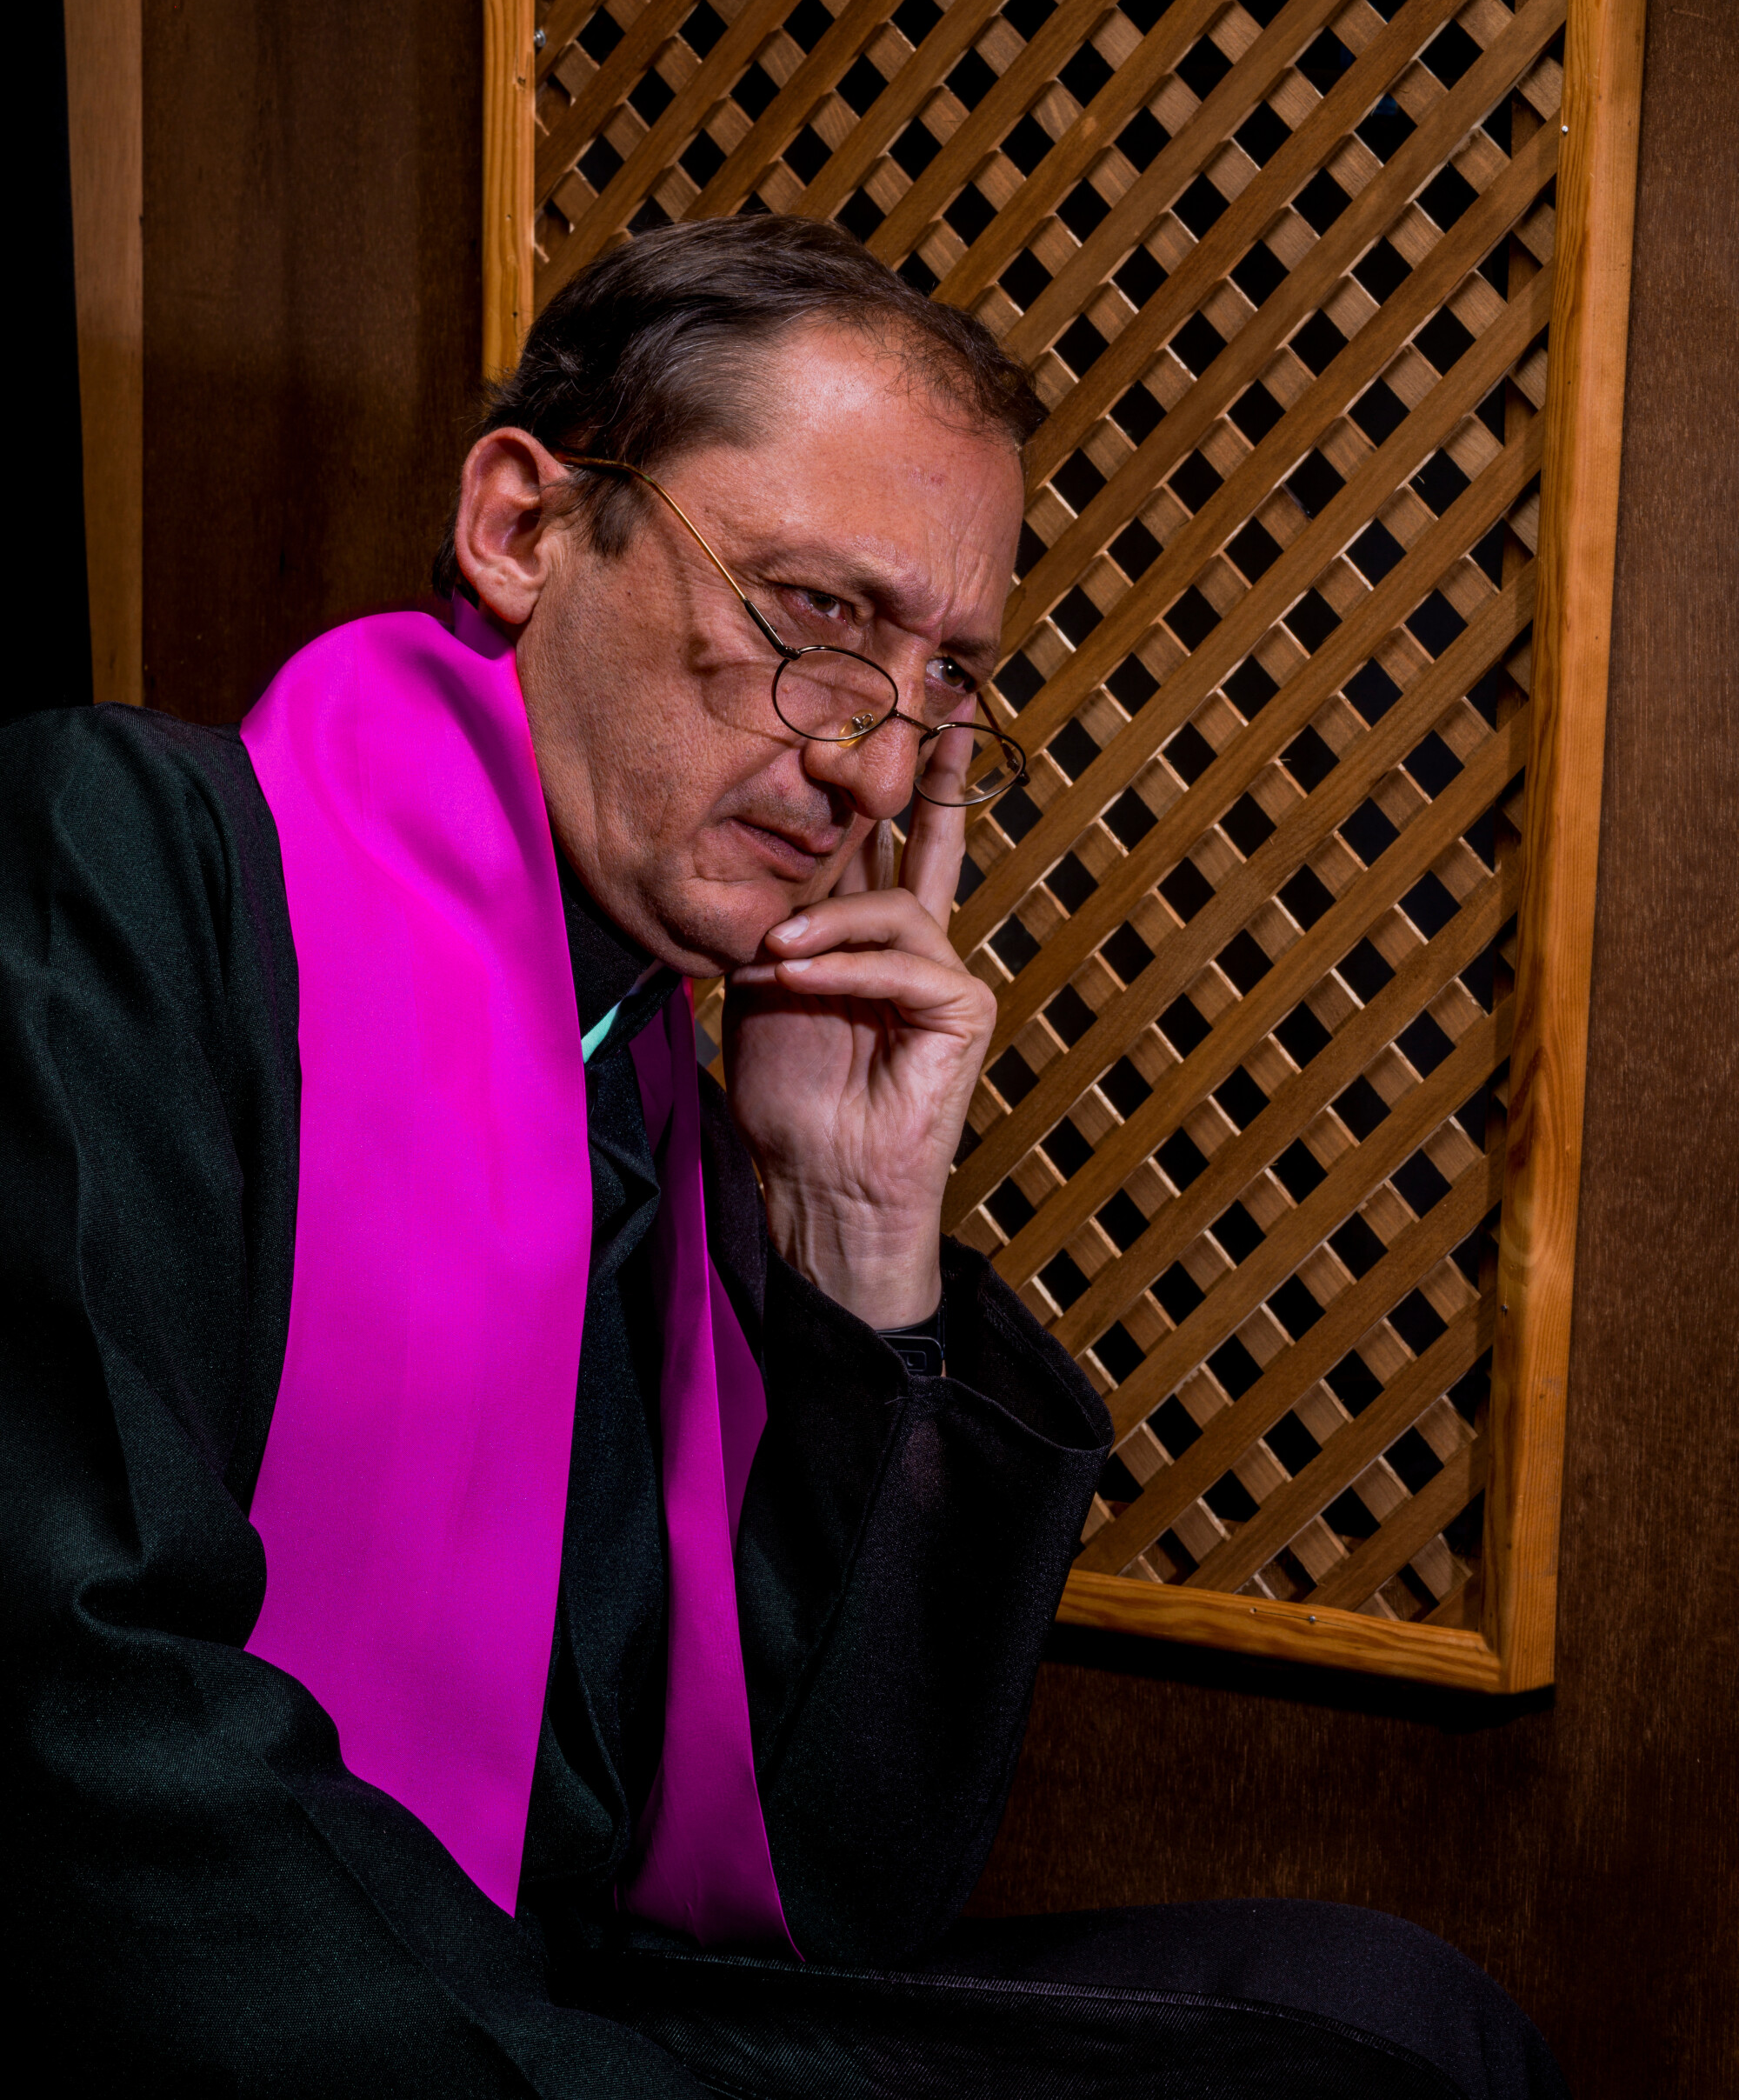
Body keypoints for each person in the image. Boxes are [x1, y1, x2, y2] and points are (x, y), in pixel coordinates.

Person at [3, 215, 1566, 2097]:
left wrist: (851, 1238)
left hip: (586, 1981)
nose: (877, 772)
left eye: (945, 677)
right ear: (521, 525)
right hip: (307, 2013)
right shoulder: (122, 861)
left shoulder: (657, 1049)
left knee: (1394, 2025)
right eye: (817, 617)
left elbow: (835, 1875)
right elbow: (75, 1689)